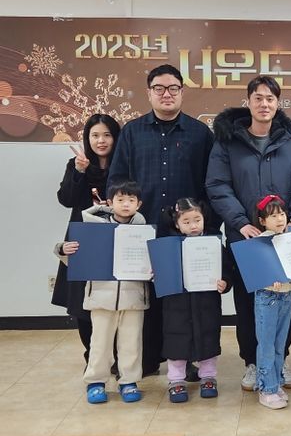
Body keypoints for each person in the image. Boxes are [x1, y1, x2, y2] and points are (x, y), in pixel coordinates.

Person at [108, 64, 214, 377]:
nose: (166, 94)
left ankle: (188, 359)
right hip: (143, 230)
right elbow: (117, 180)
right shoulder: (132, 132)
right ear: (149, 92)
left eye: (173, 88)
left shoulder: (200, 134)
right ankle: (147, 358)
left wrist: (206, 228)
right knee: (145, 297)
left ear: (182, 91)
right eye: (159, 88)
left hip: (187, 234)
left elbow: (212, 184)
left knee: (186, 299)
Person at [206, 75, 291, 391]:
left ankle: (280, 361)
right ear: (248, 101)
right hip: (246, 238)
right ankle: (252, 362)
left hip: (283, 236)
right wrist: (240, 222)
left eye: (270, 98)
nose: (264, 104)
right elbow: (217, 185)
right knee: (247, 301)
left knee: (283, 299)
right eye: (258, 98)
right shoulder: (228, 142)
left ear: (278, 103)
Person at [57, 181, 148, 404]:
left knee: (131, 343)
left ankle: (129, 381)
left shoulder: (144, 232)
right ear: (110, 202)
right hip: (100, 297)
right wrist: (62, 249)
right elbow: (76, 260)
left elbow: (153, 262)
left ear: (139, 204)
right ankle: (96, 382)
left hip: (134, 298)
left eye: (131, 200)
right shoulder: (93, 228)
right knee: (100, 343)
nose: (125, 204)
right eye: (120, 199)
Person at [52, 114, 120, 365]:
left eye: (107, 135)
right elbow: (66, 199)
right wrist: (79, 171)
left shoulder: (124, 164)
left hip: (116, 239)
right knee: (83, 303)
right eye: (95, 135)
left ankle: (117, 356)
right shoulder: (76, 164)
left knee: (117, 300)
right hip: (84, 241)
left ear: (116, 138)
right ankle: (93, 356)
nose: (101, 141)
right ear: (87, 138)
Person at [163, 198, 230, 403]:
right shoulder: (167, 246)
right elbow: (160, 271)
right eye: (186, 221)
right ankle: (176, 379)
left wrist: (225, 283)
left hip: (206, 303)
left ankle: (208, 377)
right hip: (177, 304)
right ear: (177, 224)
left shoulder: (214, 244)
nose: (193, 225)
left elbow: (226, 269)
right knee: (177, 339)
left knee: (208, 337)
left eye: (197, 220)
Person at [253, 194, 291, 410]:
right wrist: (268, 278)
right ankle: (266, 389)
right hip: (267, 298)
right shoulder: (260, 242)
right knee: (266, 344)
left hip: (286, 296)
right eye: (273, 216)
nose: (280, 219)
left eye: (282, 214)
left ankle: (275, 384)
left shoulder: (289, 238)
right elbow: (256, 272)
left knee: (279, 344)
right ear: (262, 221)